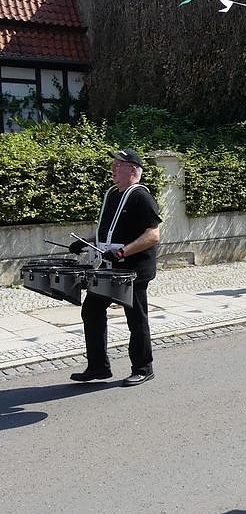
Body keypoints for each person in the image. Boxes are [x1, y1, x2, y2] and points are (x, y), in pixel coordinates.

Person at [68, 149, 162, 387]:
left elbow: (153, 235)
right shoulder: (113, 195)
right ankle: (98, 367)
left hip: (134, 269)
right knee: (91, 310)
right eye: (114, 165)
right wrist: (86, 241)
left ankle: (143, 368)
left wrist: (123, 252)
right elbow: (108, 232)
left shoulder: (141, 197)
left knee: (136, 319)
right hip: (110, 267)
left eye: (119, 165)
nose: (113, 169)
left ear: (133, 170)